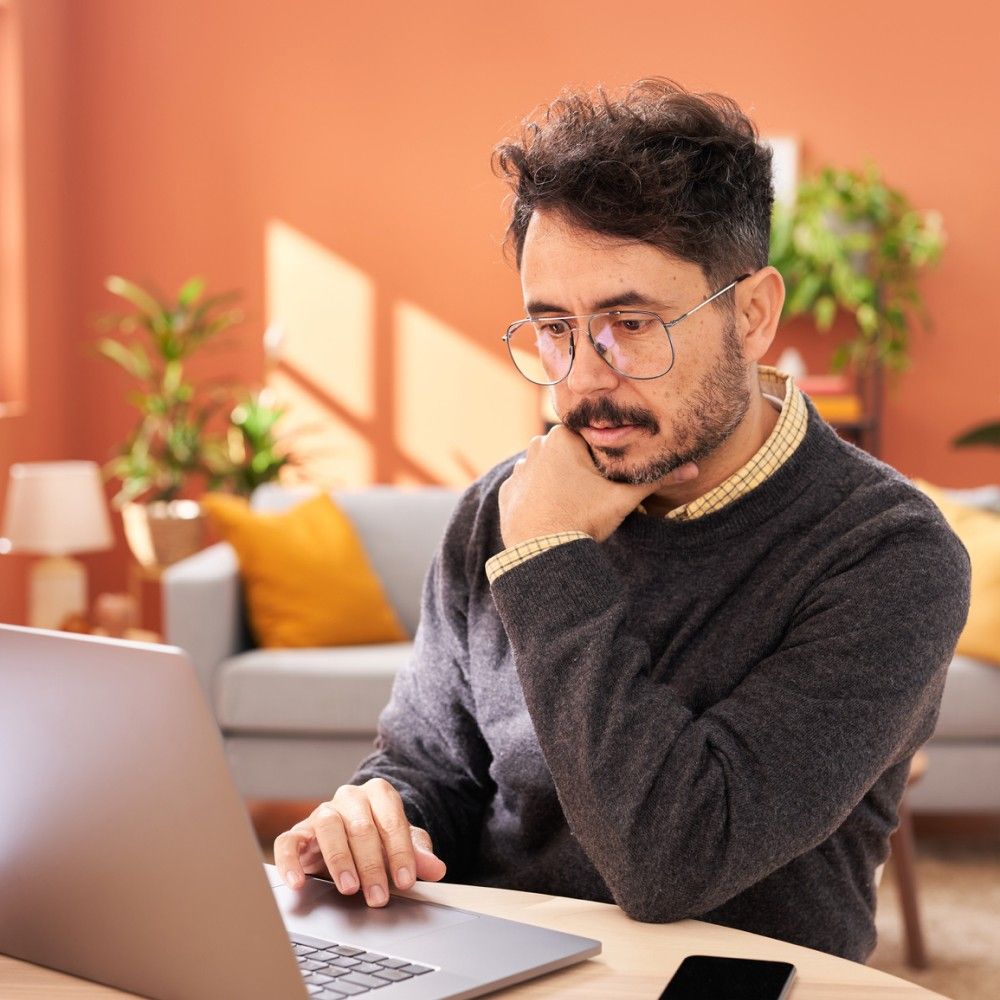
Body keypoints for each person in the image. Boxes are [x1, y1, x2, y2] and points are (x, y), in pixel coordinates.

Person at [273, 79, 970, 961]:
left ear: (752, 315)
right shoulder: (500, 509)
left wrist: (549, 558)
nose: (582, 379)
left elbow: (673, 863)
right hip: (491, 971)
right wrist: (371, 820)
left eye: (631, 323)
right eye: (553, 328)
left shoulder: (888, 555)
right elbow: (429, 769)